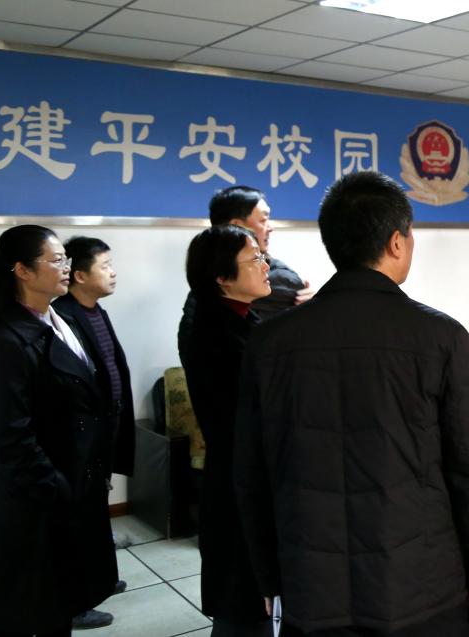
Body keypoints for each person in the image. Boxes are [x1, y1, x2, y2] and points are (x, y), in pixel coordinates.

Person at [234, 171, 469, 636]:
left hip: (312, 582)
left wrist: (269, 576)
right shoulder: (441, 337)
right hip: (420, 583)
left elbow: (252, 472)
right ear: (397, 242)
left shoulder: (270, 342)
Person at [0, 225, 118, 637]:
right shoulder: (8, 339)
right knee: (29, 613)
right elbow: (10, 437)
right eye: (56, 260)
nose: (66, 267)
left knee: (59, 607)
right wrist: (56, 490)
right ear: (22, 270)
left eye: (66, 259)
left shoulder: (61, 319)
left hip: (69, 487)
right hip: (36, 501)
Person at [182, 224, 273, 637]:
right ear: (222, 276)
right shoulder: (214, 333)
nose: (265, 265)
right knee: (242, 600)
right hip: (238, 477)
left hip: (246, 473)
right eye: (254, 259)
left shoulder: (241, 317)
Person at [51, 237, 136, 630]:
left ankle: (100, 578)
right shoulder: (63, 316)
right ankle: (75, 602)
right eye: (105, 265)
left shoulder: (95, 310)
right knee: (77, 519)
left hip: (105, 429)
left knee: (96, 512)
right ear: (80, 275)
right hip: (81, 437)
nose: (113, 272)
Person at [178, 186, 310, 365]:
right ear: (236, 227)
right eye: (263, 220)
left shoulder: (212, 297)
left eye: (261, 259)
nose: (270, 228)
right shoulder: (214, 330)